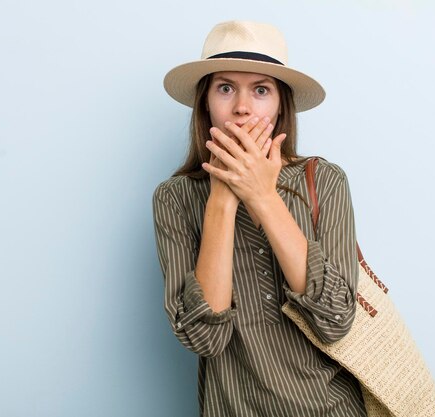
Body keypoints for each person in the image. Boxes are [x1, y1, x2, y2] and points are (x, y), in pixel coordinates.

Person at [153, 20, 366, 416]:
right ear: (205, 102)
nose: (242, 107)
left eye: (261, 90)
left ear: (281, 103)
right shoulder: (176, 198)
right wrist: (222, 197)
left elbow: (336, 320)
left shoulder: (324, 180)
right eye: (226, 87)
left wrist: (263, 196)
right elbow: (203, 338)